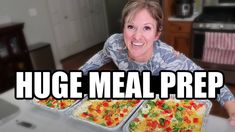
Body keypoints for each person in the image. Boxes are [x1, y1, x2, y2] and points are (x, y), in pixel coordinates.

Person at [79, 0, 235, 126]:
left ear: (156, 34)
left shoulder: (168, 57)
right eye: (131, 26)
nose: (137, 37)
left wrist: (233, 109)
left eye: (147, 28)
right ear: (123, 28)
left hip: (170, 113)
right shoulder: (114, 43)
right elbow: (101, 56)